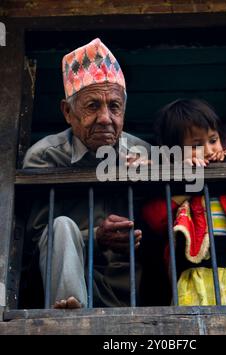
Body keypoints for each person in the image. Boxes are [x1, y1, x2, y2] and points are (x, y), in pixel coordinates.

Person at [23, 38, 151, 309]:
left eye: (114, 107)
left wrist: (158, 174)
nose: (106, 118)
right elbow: (38, 239)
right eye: (93, 106)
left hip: (128, 288)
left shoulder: (143, 151)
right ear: (68, 112)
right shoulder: (46, 156)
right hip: (63, 281)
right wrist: (95, 237)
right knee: (61, 226)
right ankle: (69, 313)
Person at [142, 98, 226, 305]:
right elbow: (156, 219)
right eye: (197, 145)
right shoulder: (174, 187)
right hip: (195, 274)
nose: (209, 150)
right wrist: (188, 179)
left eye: (213, 140)